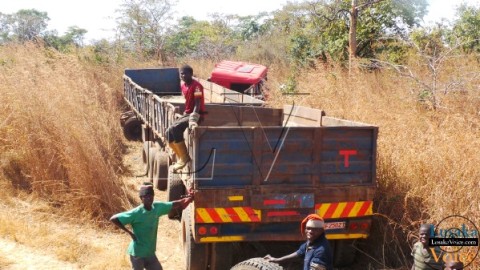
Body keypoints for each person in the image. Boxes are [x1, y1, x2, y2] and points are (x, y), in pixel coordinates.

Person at [110, 182, 194, 270]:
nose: (149, 198)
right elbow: (114, 218)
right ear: (141, 198)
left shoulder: (157, 207)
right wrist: (129, 232)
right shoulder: (136, 213)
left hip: (150, 253)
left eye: (151, 196)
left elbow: (177, 204)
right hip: (137, 254)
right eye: (146, 196)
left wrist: (190, 198)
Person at [166, 64, 205, 172]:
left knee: (175, 128)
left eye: (185, 73)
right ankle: (181, 156)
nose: (182, 75)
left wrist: (194, 117)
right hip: (187, 113)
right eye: (181, 74)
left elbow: (197, 103)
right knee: (168, 133)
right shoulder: (183, 85)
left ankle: (184, 157)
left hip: (196, 114)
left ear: (191, 74)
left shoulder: (197, 86)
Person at [264, 214, 333, 270]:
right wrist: (277, 260)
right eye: (308, 228)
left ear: (321, 231)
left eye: (314, 229)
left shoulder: (321, 250)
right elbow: (298, 253)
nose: (310, 232)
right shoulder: (312, 242)